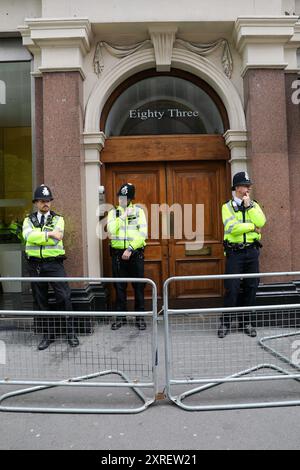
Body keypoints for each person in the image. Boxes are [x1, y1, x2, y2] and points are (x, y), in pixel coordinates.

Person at [22, 184, 79, 350]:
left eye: (47, 200)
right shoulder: (28, 220)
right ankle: (48, 335)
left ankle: (71, 333)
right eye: (41, 200)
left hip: (54, 264)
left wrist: (39, 236)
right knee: (41, 301)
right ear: (36, 203)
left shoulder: (58, 219)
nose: (45, 203)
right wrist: (48, 234)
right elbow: (28, 237)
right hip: (35, 265)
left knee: (64, 297)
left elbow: (57, 238)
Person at [218, 171, 266, 339]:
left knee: (251, 286)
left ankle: (246, 322)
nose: (248, 188)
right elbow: (232, 228)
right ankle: (226, 322)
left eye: (249, 186)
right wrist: (252, 227)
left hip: (252, 251)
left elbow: (262, 222)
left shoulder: (254, 205)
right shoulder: (227, 207)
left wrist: (250, 208)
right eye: (245, 185)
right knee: (231, 288)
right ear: (237, 187)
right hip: (235, 252)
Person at [107, 183, 147, 330]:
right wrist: (122, 216)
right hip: (118, 255)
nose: (121, 200)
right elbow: (110, 230)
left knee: (138, 287)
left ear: (130, 199)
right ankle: (120, 317)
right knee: (119, 287)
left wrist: (130, 248)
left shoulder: (139, 212)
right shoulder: (113, 212)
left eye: (125, 198)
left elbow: (143, 235)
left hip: (135, 254)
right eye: (120, 197)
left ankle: (140, 318)